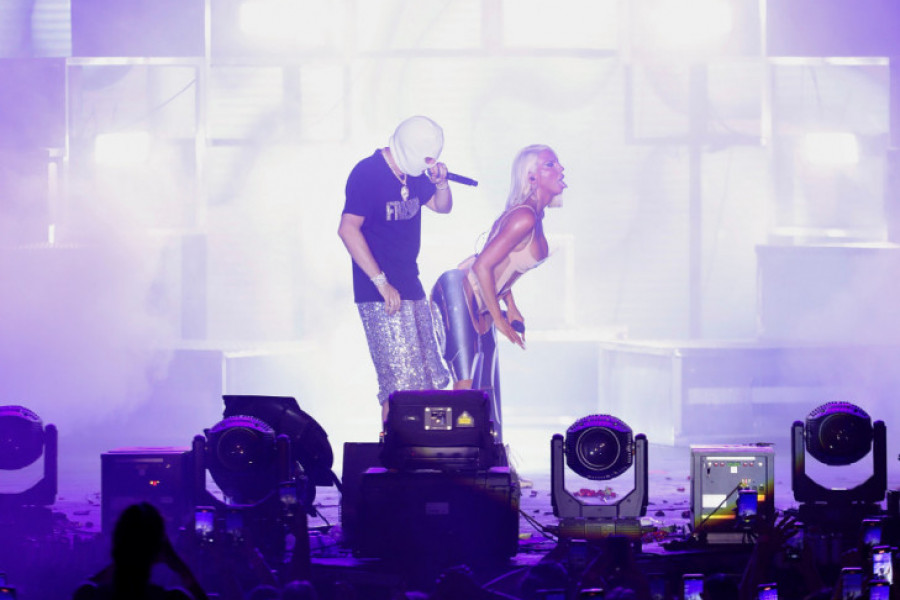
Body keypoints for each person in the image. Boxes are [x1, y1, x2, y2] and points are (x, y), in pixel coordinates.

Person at [431, 144, 565, 440]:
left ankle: (487, 456)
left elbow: (501, 266)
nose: (560, 169)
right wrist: (500, 319)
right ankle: (446, 454)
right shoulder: (524, 217)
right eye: (550, 164)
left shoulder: (533, 215)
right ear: (531, 176)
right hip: (459, 291)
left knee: (485, 388)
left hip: (480, 300)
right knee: (466, 384)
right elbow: (482, 266)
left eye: (558, 163)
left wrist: (511, 306)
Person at [338, 115, 454, 423]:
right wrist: (381, 282)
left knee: (428, 378)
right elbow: (348, 229)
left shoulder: (413, 174)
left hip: (410, 284)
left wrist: (441, 183)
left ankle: (429, 446)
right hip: (380, 292)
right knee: (399, 385)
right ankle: (393, 448)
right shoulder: (368, 173)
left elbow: (442, 206)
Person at [72, 502, 208, 600]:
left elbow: (86, 586)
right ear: (159, 550)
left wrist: (123, 558)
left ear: (116, 543)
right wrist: (180, 567)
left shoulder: (89, 595)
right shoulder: (173, 598)